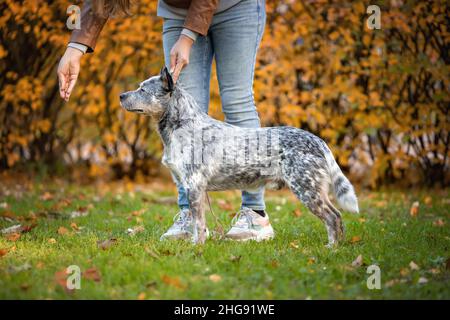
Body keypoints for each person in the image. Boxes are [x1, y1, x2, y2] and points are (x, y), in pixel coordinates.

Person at [57, 0, 274, 241]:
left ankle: (255, 213)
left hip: (236, 7)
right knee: (182, 114)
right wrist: (75, 47)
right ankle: (190, 214)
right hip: (178, 12)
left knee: (237, 102)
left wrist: (188, 36)